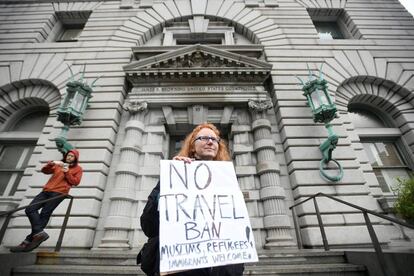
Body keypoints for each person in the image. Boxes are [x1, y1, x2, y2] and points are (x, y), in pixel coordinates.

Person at [139, 123, 244, 276]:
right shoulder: (174, 176)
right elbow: (149, 226)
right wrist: (169, 182)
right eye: (204, 138)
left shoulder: (226, 181)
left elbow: (236, 228)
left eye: (215, 140)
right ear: (193, 146)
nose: (210, 142)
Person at [10, 149, 83, 253]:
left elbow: (75, 182)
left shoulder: (78, 169)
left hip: (59, 193)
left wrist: (67, 173)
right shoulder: (59, 165)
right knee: (30, 209)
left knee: (45, 214)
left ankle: (26, 242)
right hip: (46, 190)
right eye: (68, 155)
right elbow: (45, 171)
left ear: (75, 158)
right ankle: (39, 233)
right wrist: (51, 163)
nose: (69, 157)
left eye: (72, 156)